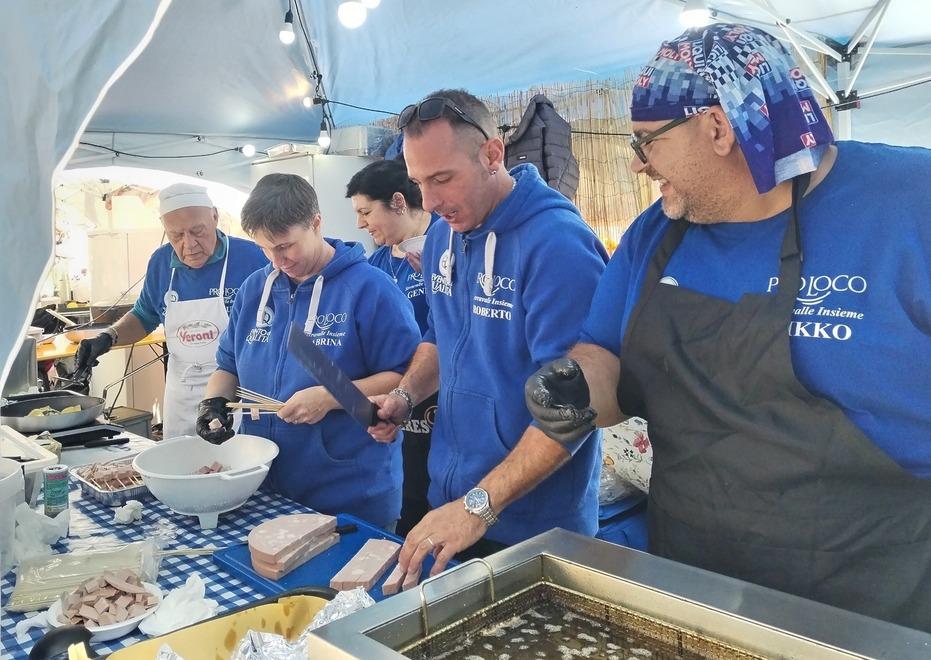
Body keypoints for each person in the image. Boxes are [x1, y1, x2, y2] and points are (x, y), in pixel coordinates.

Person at [526, 23, 931, 632]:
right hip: (695, 591)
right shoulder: (654, 235)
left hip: (870, 605)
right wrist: (575, 385)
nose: (638, 166)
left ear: (717, 127)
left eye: (647, 143)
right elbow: (605, 355)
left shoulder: (909, 205)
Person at [369, 89, 608, 575]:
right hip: (451, 506)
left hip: (538, 528)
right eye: (418, 183)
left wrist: (480, 506)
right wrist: (406, 394)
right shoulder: (442, 236)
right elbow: (439, 336)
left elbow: (576, 406)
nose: (431, 202)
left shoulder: (557, 244)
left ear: (492, 154)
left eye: (442, 179)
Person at [196, 173, 421, 529]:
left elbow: (405, 378)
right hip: (263, 485)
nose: (276, 259)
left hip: (349, 493)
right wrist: (213, 403)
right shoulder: (256, 289)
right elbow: (228, 365)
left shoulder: (371, 289)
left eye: (285, 246)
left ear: (316, 223)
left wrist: (330, 396)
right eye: (265, 249)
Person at [75, 183, 267, 439]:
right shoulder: (161, 262)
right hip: (182, 394)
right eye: (176, 235)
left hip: (236, 393)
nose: (189, 244)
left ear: (215, 217)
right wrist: (107, 338)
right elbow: (144, 316)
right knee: (183, 467)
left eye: (197, 231)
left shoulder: (254, 258)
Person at [347, 159, 439, 536]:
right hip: (396, 405)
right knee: (410, 500)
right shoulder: (377, 264)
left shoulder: (448, 246)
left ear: (399, 202)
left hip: (442, 403)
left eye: (366, 212)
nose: (360, 224)